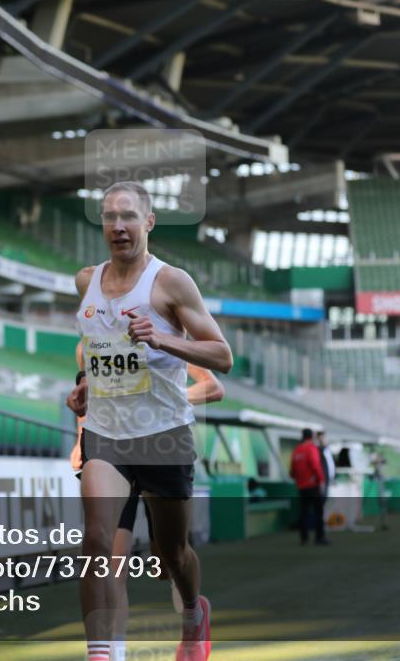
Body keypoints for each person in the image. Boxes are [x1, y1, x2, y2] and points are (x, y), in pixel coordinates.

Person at [66, 181, 233, 661]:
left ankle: (192, 616)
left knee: (171, 556)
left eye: (129, 216)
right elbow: (100, 353)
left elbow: (223, 357)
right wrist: (86, 385)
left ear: (149, 222)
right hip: (106, 437)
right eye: (109, 216)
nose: (118, 226)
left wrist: (163, 340)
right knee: (98, 543)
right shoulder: (86, 283)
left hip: (163, 438)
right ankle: (103, 653)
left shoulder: (171, 283)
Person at [69, 342, 225, 659]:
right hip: (110, 450)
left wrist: (162, 399)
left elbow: (213, 387)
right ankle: (115, 650)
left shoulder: (162, 334)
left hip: (160, 445)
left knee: (166, 562)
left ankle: (192, 614)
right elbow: (92, 397)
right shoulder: (87, 344)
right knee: (111, 557)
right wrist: (80, 438)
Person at [290, 428, 328, 546]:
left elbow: (292, 471)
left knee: (304, 512)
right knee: (318, 512)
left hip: (302, 487)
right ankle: (319, 537)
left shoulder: (297, 450)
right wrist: (321, 480)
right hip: (313, 486)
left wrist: (299, 480)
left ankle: (304, 538)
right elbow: (315, 465)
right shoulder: (311, 448)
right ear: (311, 437)